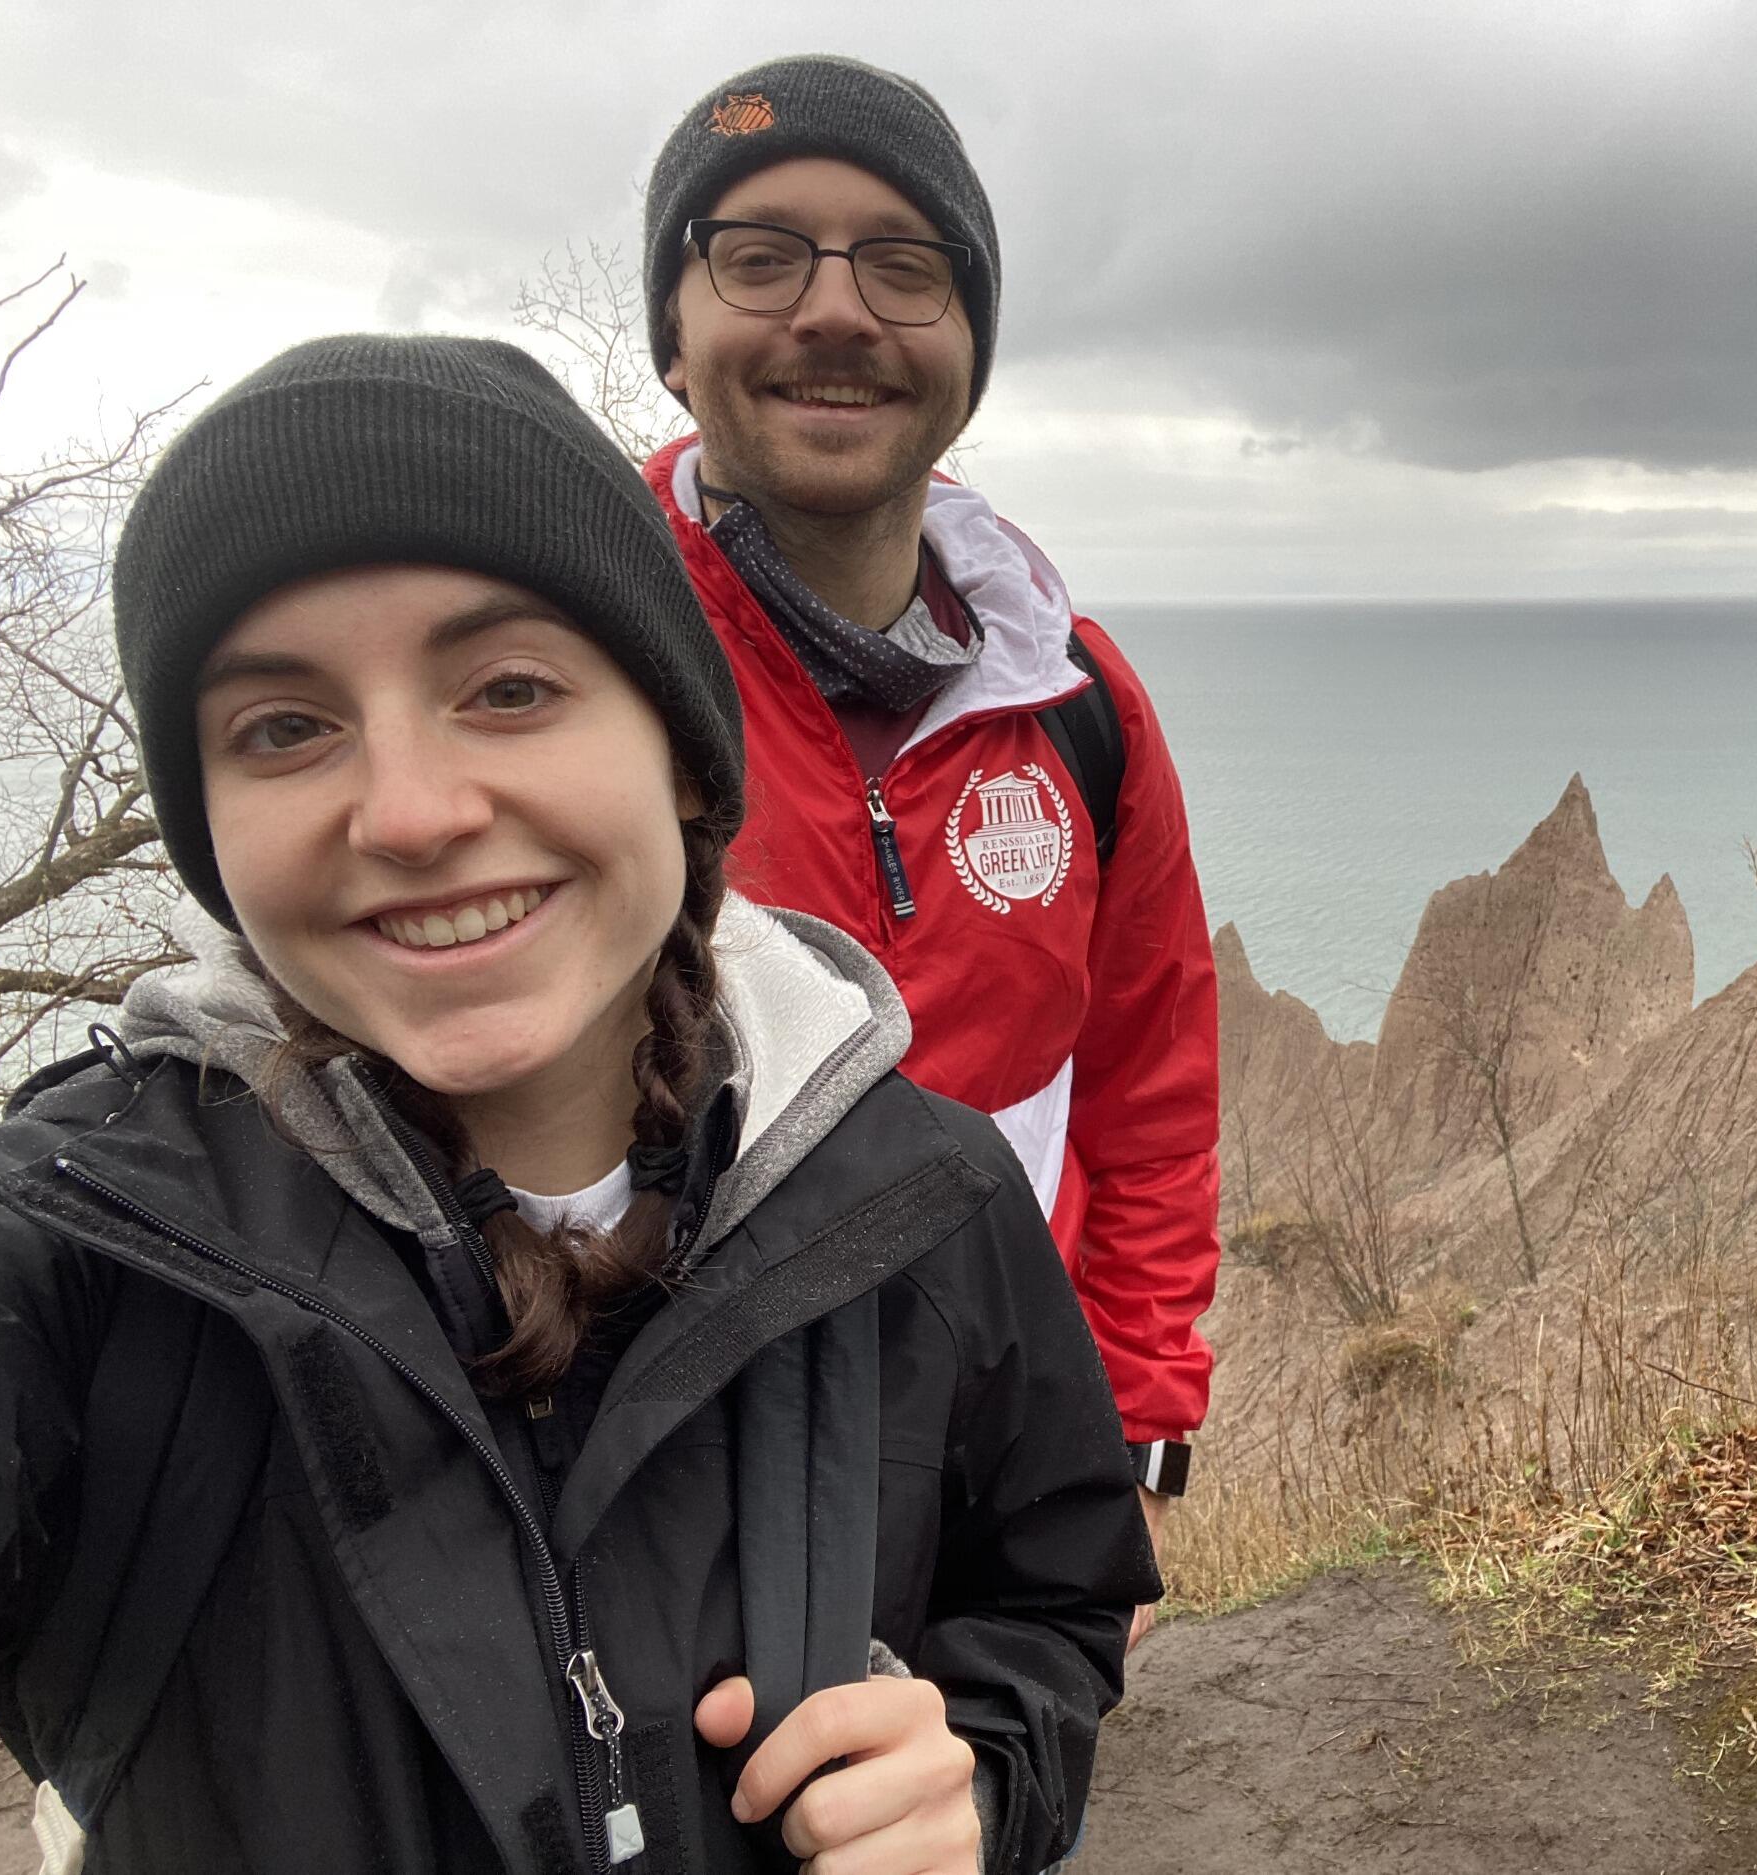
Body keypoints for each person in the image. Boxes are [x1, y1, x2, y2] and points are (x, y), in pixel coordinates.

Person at [0, 334, 1158, 1875]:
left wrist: (978, 1785)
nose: (412, 812)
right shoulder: (88, 1250)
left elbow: (1049, 1602)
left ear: (683, 759)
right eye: (284, 728)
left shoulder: (922, 1197)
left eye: (509, 688)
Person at [637, 57, 1222, 1630]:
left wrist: (1129, 1433)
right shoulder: (571, 681)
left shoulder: (1076, 700)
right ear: (674, 339)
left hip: (991, 1466)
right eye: (761, 256)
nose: (838, 313)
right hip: (649, 1501)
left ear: (968, 350)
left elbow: (1148, 1081)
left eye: (907, 266)